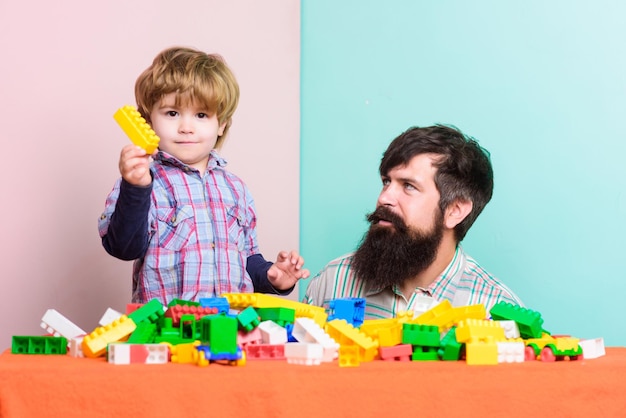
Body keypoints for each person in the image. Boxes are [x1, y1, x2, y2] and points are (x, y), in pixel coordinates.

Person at [99, 46, 308, 304]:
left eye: (201, 115)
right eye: (172, 113)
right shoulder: (143, 181)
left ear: (221, 124)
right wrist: (136, 188)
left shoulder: (236, 190)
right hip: (170, 333)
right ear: (148, 120)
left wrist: (272, 276)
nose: (186, 127)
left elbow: (246, 260)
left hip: (231, 329)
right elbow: (123, 247)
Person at [304, 125, 522, 318]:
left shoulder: (496, 312)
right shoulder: (331, 283)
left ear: (454, 210)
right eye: (386, 182)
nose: (384, 198)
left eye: (409, 186)